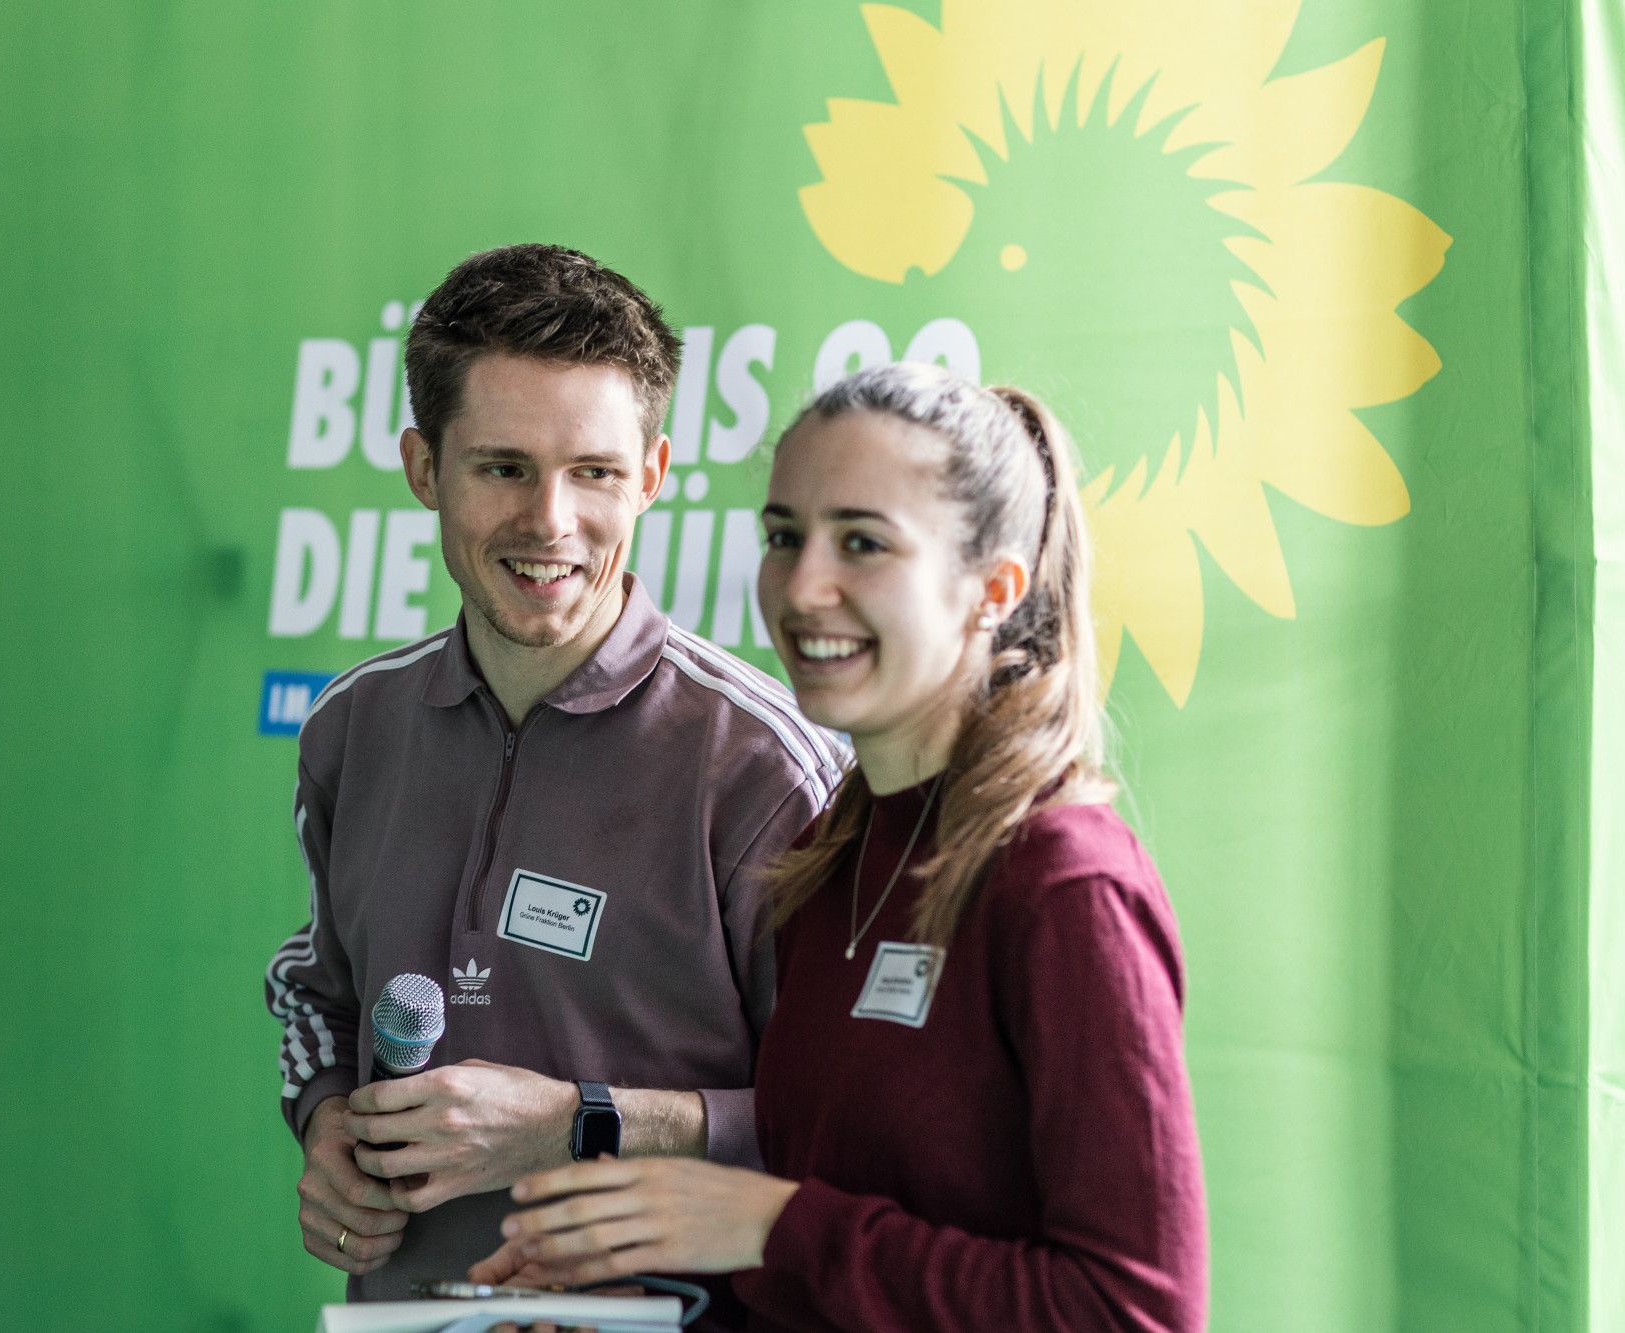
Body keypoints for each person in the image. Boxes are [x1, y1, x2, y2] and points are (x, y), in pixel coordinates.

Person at [472, 363, 1210, 1330]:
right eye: (786, 536)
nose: (804, 585)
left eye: (862, 542)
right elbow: (828, 1273)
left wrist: (778, 1226)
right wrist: (656, 1304)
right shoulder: (831, 856)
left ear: (992, 588)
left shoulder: (1063, 881)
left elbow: (1134, 1312)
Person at [263, 244, 842, 1302]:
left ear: (653, 477)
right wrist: (326, 1118)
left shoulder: (766, 770)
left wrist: (574, 1125)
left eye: (594, 473)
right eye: (502, 467)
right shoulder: (351, 728)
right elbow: (313, 993)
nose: (550, 522)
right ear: (422, 467)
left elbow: (851, 1122)